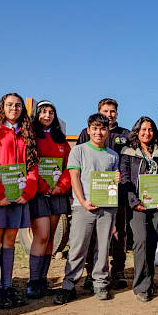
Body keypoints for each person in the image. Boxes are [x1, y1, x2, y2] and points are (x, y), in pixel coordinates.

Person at [0, 93, 39, 309]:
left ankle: (7, 286)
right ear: (2, 107)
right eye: (10, 105)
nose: (14, 108)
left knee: (10, 240)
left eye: (18, 105)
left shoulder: (27, 134)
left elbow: (33, 166)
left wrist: (28, 192)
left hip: (19, 198)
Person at [54, 113, 120, 304]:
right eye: (95, 128)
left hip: (107, 208)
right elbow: (74, 178)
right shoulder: (79, 151)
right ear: (88, 130)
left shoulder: (113, 155)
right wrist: (82, 202)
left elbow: (112, 184)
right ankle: (69, 285)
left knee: (103, 247)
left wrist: (117, 180)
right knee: (77, 246)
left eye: (102, 128)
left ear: (108, 130)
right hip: (83, 207)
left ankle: (100, 283)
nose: (98, 132)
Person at [77, 99, 130, 291]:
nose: (110, 114)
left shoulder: (126, 135)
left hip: (119, 193)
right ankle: (91, 273)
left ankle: (118, 272)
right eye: (106, 111)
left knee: (120, 234)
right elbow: (81, 161)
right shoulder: (86, 132)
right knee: (92, 235)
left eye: (113, 111)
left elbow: (129, 162)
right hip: (94, 192)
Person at [120, 117, 158, 302]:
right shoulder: (128, 153)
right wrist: (134, 202)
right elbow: (125, 180)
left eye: (150, 130)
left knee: (151, 243)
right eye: (143, 129)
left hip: (157, 205)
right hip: (138, 206)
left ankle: (149, 283)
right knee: (141, 242)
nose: (147, 133)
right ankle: (141, 287)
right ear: (136, 131)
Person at [26, 100, 71, 299]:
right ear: (37, 115)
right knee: (41, 235)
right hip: (38, 192)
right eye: (44, 112)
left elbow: (70, 166)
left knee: (52, 238)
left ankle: (42, 280)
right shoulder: (30, 137)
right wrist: (43, 186)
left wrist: (61, 186)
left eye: (51, 112)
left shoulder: (60, 139)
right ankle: (32, 281)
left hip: (56, 193)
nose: (47, 115)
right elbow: (29, 163)